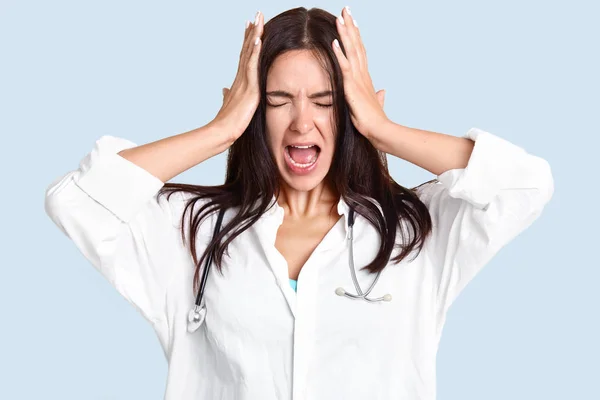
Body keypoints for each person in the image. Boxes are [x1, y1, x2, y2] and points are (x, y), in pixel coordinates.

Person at [44, 5, 554, 400]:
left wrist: (383, 129)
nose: (302, 122)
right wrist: (219, 130)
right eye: (278, 100)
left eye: (327, 102)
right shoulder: (193, 232)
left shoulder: (416, 231)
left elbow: (525, 185)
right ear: (252, 109)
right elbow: (76, 202)